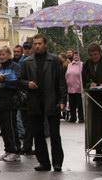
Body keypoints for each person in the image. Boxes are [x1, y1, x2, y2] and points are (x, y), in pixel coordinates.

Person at [20, 34, 67, 172]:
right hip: (34, 101)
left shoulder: (54, 60)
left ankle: (57, 162)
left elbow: (61, 82)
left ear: (45, 45)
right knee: (38, 134)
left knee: (54, 134)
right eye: (35, 44)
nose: (37, 46)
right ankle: (44, 162)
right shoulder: (27, 61)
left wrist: (62, 100)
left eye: (39, 43)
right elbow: (20, 80)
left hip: (52, 100)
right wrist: (27, 84)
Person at [82, 43, 102, 161]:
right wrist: (90, 84)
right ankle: (98, 150)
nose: (93, 57)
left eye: (95, 54)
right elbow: (84, 79)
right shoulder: (87, 64)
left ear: (100, 53)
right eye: (91, 55)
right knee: (95, 125)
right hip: (94, 98)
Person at [0, 46, 21, 162]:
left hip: (10, 100)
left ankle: (15, 151)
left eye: (3, 54)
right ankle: (8, 149)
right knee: (3, 127)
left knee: (11, 127)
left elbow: (17, 81)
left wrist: (4, 79)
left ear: (9, 55)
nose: (1, 57)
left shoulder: (15, 66)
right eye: (0, 55)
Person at [65, 51, 84, 123]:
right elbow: (66, 74)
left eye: (77, 55)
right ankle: (73, 117)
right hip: (70, 87)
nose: (76, 56)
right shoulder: (69, 65)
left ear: (79, 56)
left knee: (80, 104)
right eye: (75, 55)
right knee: (72, 104)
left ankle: (81, 118)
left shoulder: (82, 64)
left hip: (79, 88)